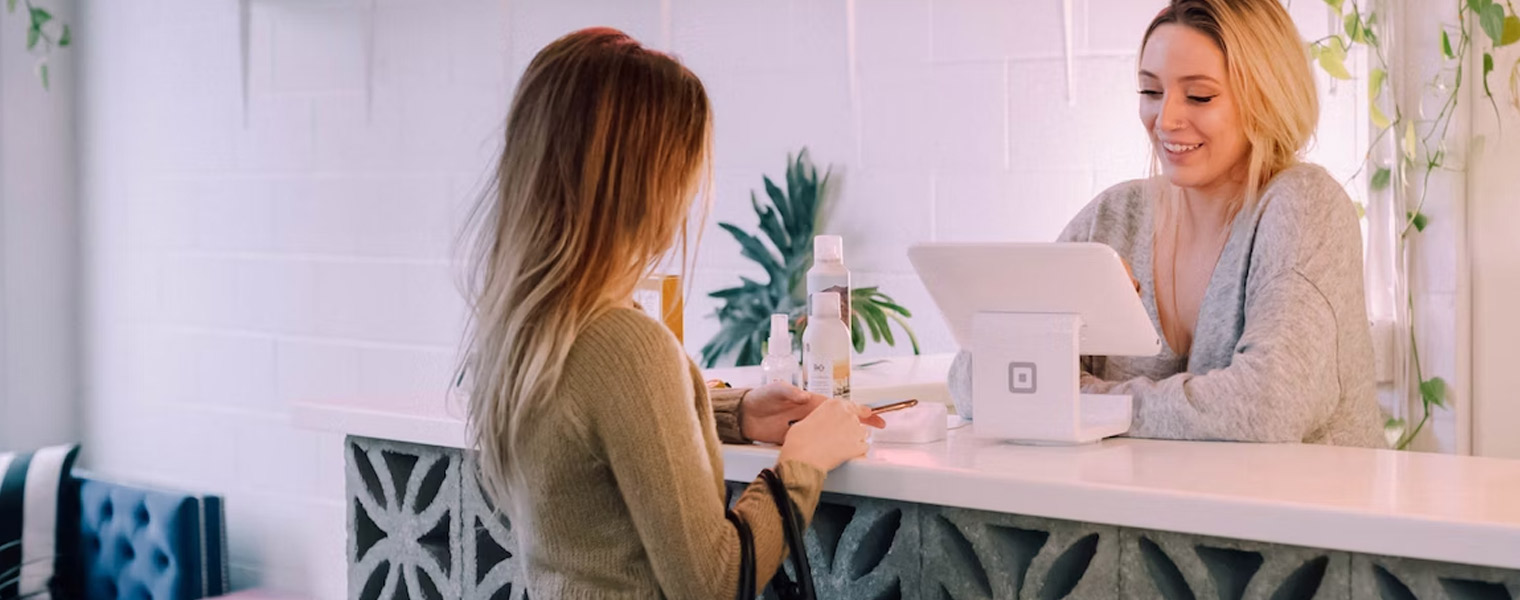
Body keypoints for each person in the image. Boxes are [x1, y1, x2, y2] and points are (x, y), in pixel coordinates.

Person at [459, 28, 882, 599]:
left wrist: (735, 414)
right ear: (645, 182)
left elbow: (601, 427)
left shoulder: (527, 327)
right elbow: (714, 582)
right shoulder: (626, 345)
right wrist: (803, 463)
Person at [951, 0, 1381, 447]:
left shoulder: (1303, 205)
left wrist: (1085, 404)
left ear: (1267, 97)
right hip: (1142, 511)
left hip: (1292, 512)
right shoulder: (1116, 216)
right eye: (1151, 92)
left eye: (1199, 96)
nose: (1166, 119)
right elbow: (972, 381)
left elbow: (1269, 405)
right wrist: (1059, 315)